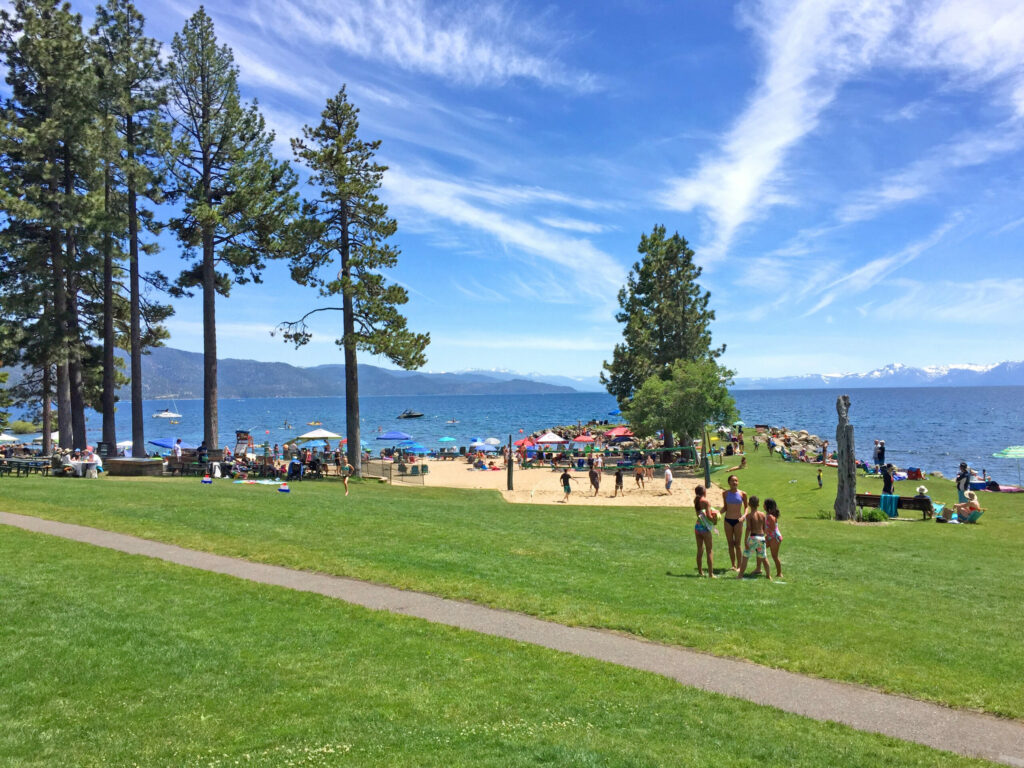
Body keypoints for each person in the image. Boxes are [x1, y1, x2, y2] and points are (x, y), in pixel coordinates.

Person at [738, 495, 771, 580]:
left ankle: (740, 575)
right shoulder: (763, 514)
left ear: (748, 504)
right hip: (762, 538)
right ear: (758, 505)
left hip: (753, 537)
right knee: (764, 557)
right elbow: (765, 528)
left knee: (745, 556)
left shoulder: (749, 516)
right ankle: (768, 576)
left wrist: (745, 540)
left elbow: (748, 528)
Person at [721, 474, 748, 571]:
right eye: (732, 481)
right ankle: (733, 565)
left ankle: (740, 566)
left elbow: (746, 507)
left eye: (736, 480)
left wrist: (744, 516)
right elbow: (725, 507)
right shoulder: (725, 493)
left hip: (738, 521)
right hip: (727, 520)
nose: (734, 482)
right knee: (730, 544)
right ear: (729, 482)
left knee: (738, 544)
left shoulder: (743, 494)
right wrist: (718, 513)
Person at [693, 485, 717, 578]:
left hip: (698, 526)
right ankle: (711, 574)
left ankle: (700, 571)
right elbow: (709, 516)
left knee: (700, 549)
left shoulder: (696, 500)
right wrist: (715, 520)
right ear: (704, 492)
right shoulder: (706, 502)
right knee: (709, 550)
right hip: (705, 528)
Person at [764, 498, 783, 578]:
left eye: (764, 504)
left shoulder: (770, 517)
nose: (763, 505)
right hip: (770, 537)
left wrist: (762, 530)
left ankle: (779, 573)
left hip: (774, 538)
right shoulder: (768, 515)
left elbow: (771, 529)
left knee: (774, 556)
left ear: (767, 506)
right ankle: (758, 568)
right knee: (759, 549)